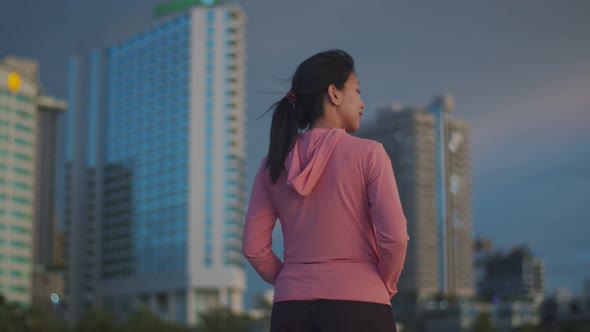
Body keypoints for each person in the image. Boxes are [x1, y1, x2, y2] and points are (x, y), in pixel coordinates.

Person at [242, 49, 409, 332]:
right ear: (334, 93)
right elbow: (395, 238)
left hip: (290, 308)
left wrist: (292, 278)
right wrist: (383, 284)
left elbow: (253, 248)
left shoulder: (272, 164)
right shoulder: (369, 154)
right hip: (362, 304)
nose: (362, 103)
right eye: (356, 90)